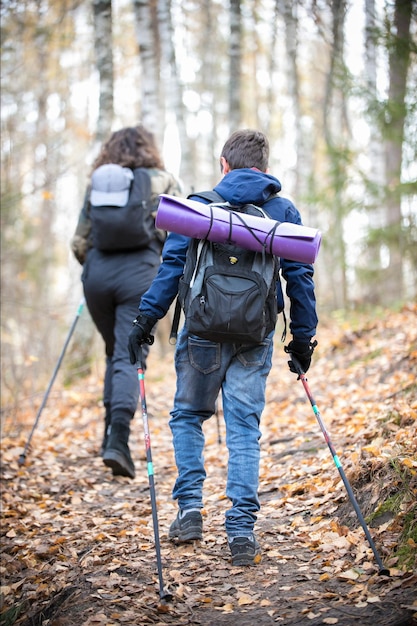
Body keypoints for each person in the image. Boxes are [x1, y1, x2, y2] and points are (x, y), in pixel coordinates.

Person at [128, 129, 318, 564]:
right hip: (255, 335)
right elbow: (299, 277)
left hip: (201, 333)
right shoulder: (282, 210)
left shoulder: (197, 209)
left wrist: (144, 321)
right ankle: (241, 532)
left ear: (223, 164)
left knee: (188, 415)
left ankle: (190, 508)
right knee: (244, 428)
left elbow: (172, 268)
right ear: (265, 170)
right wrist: (303, 337)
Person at [71, 125, 181, 479]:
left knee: (114, 353)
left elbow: (79, 242)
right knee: (127, 356)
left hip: (97, 275)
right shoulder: (162, 180)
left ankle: (110, 436)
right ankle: (118, 439)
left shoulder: (98, 183)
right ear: (149, 148)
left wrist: (94, 266)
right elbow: (179, 234)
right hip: (140, 275)